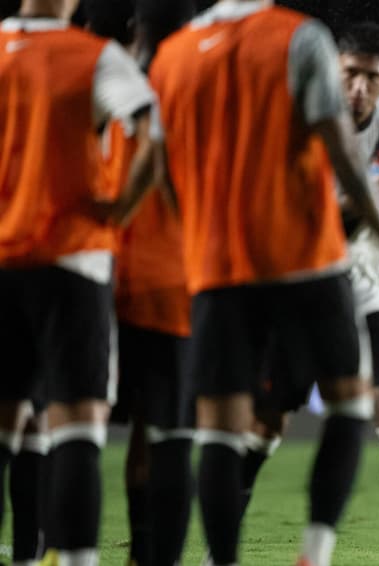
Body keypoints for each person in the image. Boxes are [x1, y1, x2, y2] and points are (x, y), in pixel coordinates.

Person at [147, 2, 379, 565]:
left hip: (218, 270)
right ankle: (314, 551)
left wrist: (196, 238)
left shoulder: (171, 55)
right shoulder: (300, 37)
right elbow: (343, 150)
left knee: (222, 433)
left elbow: (160, 167)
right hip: (306, 261)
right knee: (350, 405)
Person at [236, 21, 379, 566]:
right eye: (350, 74)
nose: (359, 88)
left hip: (360, 294)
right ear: (333, 71)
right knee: (264, 425)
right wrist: (364, 209)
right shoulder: (302, 120)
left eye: (371, 77)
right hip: (297, 290)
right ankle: (219, 550)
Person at [0, 0, 159, 563]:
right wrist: (120, 210)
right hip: (72, 265)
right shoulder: (94, 57)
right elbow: (154, 135)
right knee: (76, 429)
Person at [85, 0, 197, 564]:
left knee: (61, 425)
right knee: (167, 431)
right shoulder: (187, 87)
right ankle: (153, 557)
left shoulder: (95, 82)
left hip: (91, 276)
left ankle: (49, 547)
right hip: (169, 279)